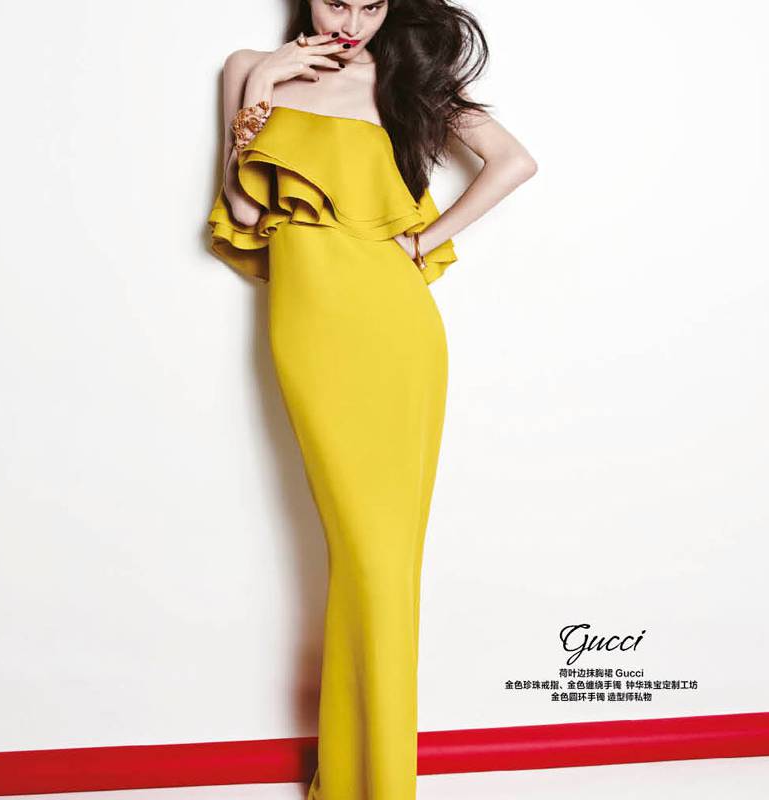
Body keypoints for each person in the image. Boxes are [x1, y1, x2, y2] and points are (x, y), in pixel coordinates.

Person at [206, 2, 537, 798]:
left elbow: (514, 161)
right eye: (336, 0)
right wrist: (261, 84)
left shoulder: (401, 80)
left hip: (396, 324)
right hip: (310, 324)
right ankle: (364, 776)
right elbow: (246, 210)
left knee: (384, 560)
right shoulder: (249, 68)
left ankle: (370, 780)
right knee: (361, 552)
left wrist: (424, 239)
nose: (351, 19)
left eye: (372, 4)